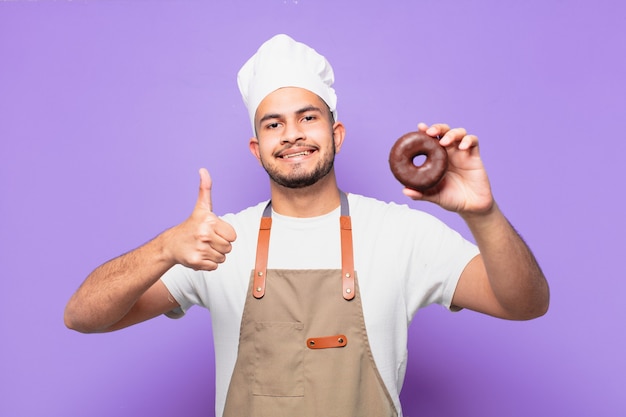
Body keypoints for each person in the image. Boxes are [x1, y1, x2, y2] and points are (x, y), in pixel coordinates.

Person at [64, 34, 549, 417]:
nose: (292, 134)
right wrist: (166, 248)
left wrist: (480, 213)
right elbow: (83, 317)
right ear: (256, 149)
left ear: (335, 133)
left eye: (307, 117)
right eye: (273, 124)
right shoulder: (216, 244)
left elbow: (524, 304)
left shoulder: (402, 234)